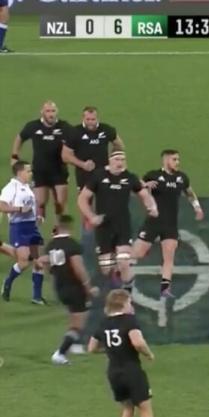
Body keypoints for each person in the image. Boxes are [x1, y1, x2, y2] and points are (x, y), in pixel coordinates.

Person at [77, 151, 158, 294]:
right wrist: (91, 216)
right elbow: (82, 199)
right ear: (110, 161)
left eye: (122, 159)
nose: (120, 162)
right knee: (106, 269)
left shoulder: (130, 177)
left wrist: (152, 207)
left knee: (123, 261)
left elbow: (145, 195)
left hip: (122, 225)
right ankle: (115, 284)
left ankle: (128, 291)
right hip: (103, 226)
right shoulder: (98, 176)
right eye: (117, 159)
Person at [133, 150, 204, 298]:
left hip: (170, 224)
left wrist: (197, 208)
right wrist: (145, 186)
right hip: (153, 222)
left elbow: (190, 193)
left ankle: (165, 289)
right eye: (174, 159)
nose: (178, 162)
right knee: (138, 253)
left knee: (169, 256)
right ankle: (119, 266)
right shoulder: (153, 175)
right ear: (165, 160)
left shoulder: (181, 177)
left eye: (178, 159)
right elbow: (136, 187)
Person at [62, 106, 125, 264]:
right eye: (88, 119)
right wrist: (82, 164)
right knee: (86, 210)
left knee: (108, 209)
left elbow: (119, 145)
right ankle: (88, 247)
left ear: (97, 118)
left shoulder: (106, 130)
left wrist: (112, 162)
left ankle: (108, 245)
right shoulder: (74, 132)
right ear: (83, 118)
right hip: (85, 178)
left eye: (93, 119)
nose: (91, 122)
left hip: (105, 178)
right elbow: (65, 155)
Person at [88, 289, 157, 417]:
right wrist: (149, 354)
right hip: (131, 371)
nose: (131, 306)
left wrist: (111, 349)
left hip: (114, 373)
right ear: (124, 304)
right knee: (145, 408)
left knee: (127, 407)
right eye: (130, 303)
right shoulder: (129, 320)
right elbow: (138, 343)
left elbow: (91, 348)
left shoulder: (104, 323)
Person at [39, 215, 98, 364]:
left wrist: (52, 273)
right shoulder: (72, 245)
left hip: (60, 287)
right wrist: (88, 287)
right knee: (78, 324)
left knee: (74, 317)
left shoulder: (51, 245)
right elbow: (78, 268)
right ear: (69, 227)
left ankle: (74, 345)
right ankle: (60, 353)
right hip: (74, 287)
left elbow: (44, 262)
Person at [12, 100, 72, 223]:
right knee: (40, 203)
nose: (51, 114)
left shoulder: (64, 126)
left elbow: (76, 139)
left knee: (60, 204)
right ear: (42, 112)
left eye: (53, 111)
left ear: (57, 112)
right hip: (40, 171)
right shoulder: (33, 126)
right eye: (48, 111)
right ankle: (37, 225)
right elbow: (20, 138)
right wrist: (14, 156)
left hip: (59, 170)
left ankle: (58, 229)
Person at [0, 161, 46, 304]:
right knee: (24, 261)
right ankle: (8, 282)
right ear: (20, 172)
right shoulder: (10, 187)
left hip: (32, 227)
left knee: (39, 261)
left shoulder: (27, 187)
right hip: (18, 227)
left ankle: (36, 297)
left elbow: (31, 205)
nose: (31, 173)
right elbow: (2, 206)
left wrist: (37, 216)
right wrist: (19, 209)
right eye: (28, 171)